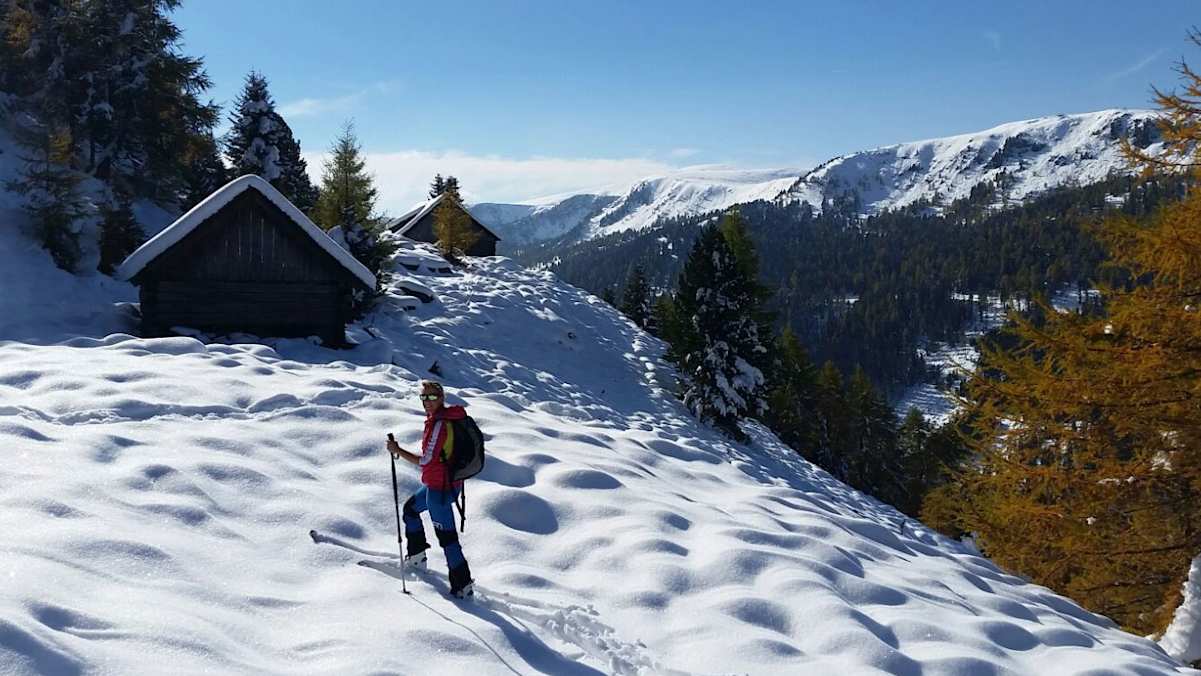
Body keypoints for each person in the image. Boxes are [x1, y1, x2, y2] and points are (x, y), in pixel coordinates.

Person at [386, 379, 475, 598]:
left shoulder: (440, 424)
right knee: (410, 510)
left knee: (447, 538)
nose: (427, 401)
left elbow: (425, 461)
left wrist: (397, 449)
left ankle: (463, 587)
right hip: (444, 485)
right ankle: (417, 558)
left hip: (440, 491)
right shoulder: (445, 419)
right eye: (424, 397)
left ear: (442, 398)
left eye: (432, 397)